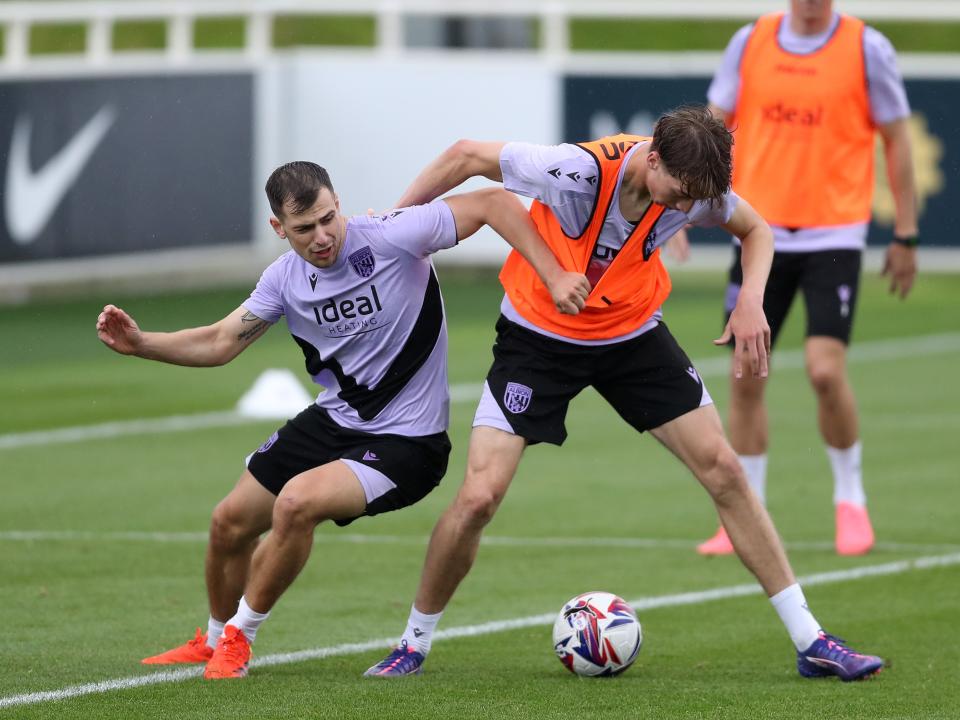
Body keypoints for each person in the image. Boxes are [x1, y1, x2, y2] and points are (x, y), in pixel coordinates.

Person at [364, 105, 883, 681]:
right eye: (681, 193)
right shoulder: (576, 172)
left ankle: (811, 639)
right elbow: (466, 155)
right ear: (653, 160)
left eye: (697, 199)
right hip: (538, 338)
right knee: (479, 498)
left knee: (725, 470)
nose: (688, 208)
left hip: (631, 336)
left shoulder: (697, 189)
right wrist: (391, 227)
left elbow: (755, 231)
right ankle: (413, 642)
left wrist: (752, 300)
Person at [96, 161, 588, 679]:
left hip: (408, 442)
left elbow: (492, 203)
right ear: (278, 229)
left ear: (338, 203)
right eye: (305, 228)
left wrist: (552, 274)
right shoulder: (284, 279)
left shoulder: (394, 236)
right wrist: (140, 344)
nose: (323, 236)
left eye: (329, 218)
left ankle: (240, 639)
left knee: (297, 503)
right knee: (229, 522)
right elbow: (220, 342)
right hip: (335, 422)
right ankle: (214, 638)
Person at [694, 0, 919, 557]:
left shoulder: (867, 47)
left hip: (833, 234)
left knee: (824, 370)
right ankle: (744, 516)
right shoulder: (751, 41)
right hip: (757, 231)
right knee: (747, 373)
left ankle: (850, 498)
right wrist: (680, 208)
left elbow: (898, 139)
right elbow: (710, 130)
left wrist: (906, 233)